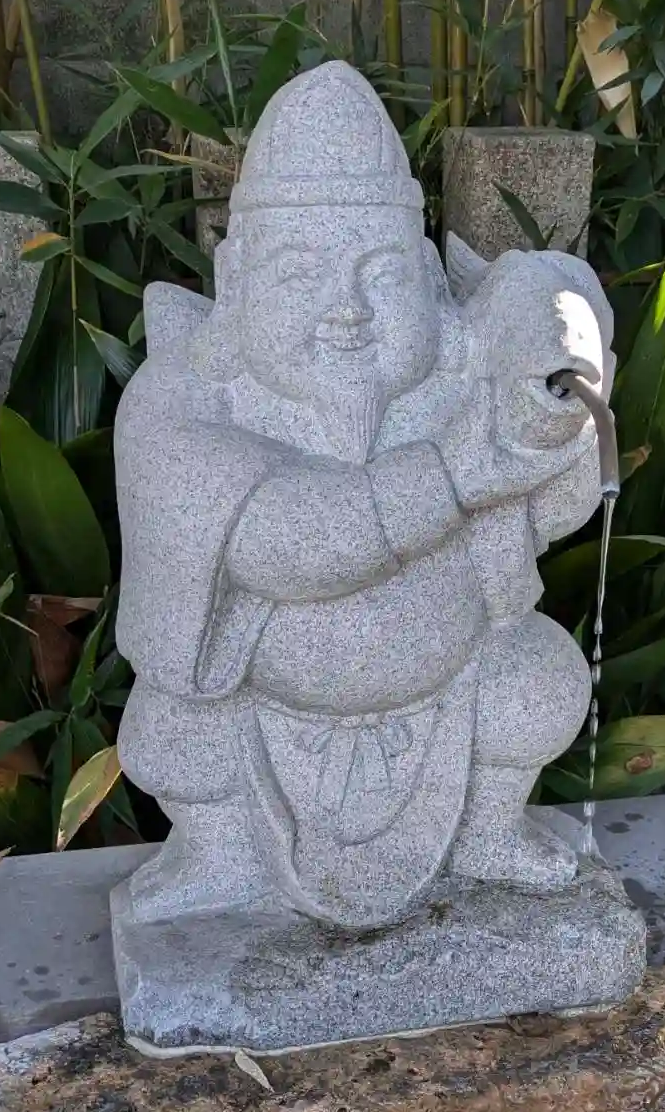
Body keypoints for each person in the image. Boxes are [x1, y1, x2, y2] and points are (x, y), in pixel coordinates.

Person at [114, 62, 614, 930]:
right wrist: (455, 474)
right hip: (256, 704)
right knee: (172, 729)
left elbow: (551, 511)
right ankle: (220, 852)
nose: (346, 309)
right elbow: (283, 542)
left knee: (539, 681)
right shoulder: (182, 401)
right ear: (235, 282)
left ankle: (485, 832)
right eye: (299, 275)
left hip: (453, 684)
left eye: (382, 276)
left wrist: (555, 405)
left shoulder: (455, 386)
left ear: (426, 278)